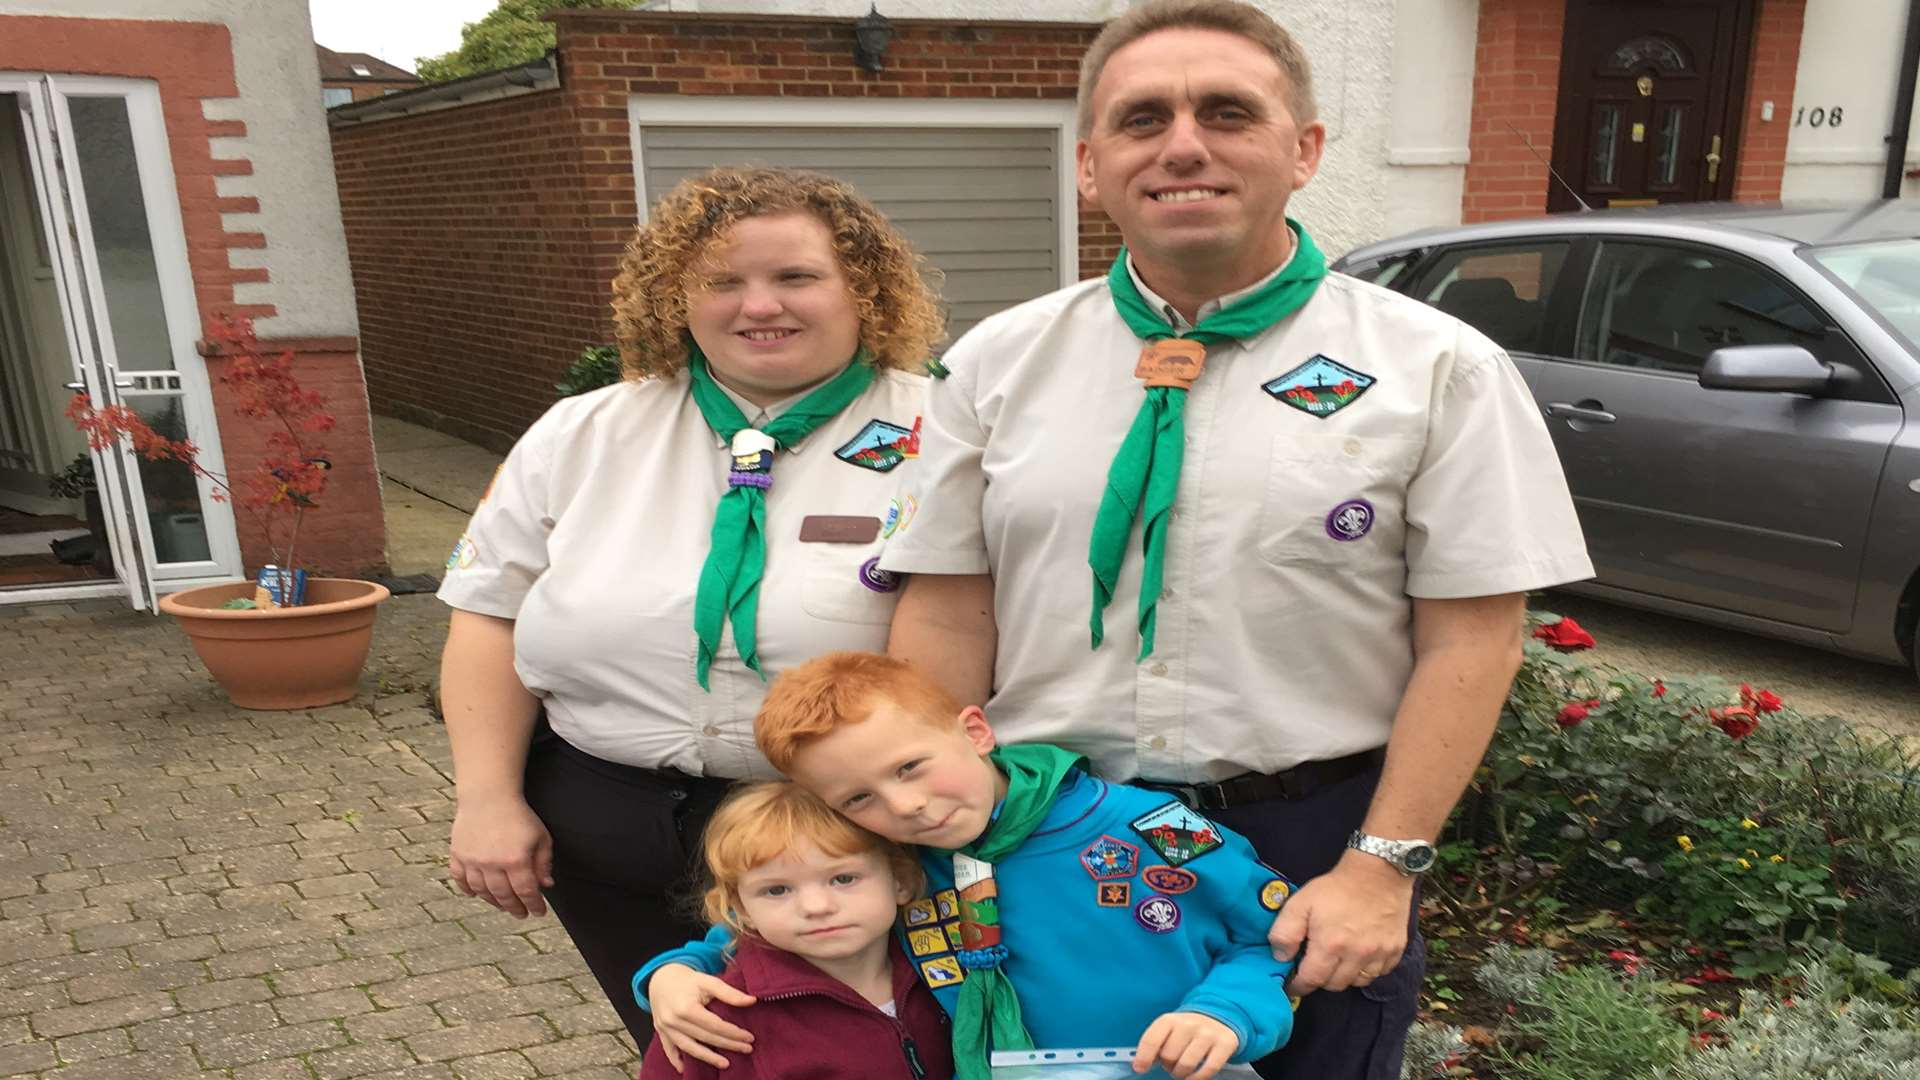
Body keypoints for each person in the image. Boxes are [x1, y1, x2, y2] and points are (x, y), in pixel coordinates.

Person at [875, 2, 1594, 1077]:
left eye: (1227, 112)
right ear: (1090, 164)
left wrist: (1382, 866)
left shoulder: (1438, 366)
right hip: (1043, 832)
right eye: (1142, 119)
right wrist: (906, 816)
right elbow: (946, 605)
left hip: (1312, 845)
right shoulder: (997, 363)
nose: (1183, 145)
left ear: (1303, 150)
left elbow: (1474, 640)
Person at [434, 166, 943, 1042]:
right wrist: (486, 797)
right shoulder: (581, 432)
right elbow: (488, 612)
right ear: (677, 297)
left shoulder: (945, 436)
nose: (759, 306)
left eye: (795, 277)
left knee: (847, 1055)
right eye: (722, 281)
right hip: (602, 829)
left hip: (832, 840)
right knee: (683, 1050)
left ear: (863, 291)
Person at [641, 651, 1296, 1080]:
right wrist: (675, 972)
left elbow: (1277, 929)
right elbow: (780, 919)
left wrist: (1225, 1012)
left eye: (910, 766)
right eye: (858, 798)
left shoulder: (1150, 825)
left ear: (976, 732)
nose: (907, 806)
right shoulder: (894, 860)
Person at [636, 781, 955, 1080]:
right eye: (777, 890)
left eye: (843, 879)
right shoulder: (717, 1017)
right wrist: (666, 974)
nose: (816, 906)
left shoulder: (951, 960)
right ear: (742, 908)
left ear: (901, 881)